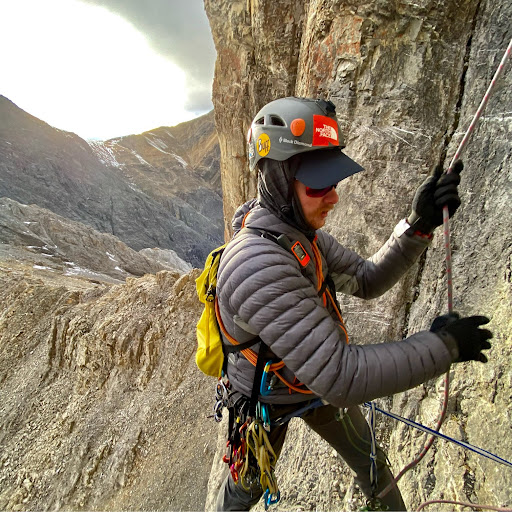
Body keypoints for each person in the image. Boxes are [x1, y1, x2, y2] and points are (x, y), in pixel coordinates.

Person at [214, 97, 492, 511]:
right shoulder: (255, 265)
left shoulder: (302, 238)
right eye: (318, 185)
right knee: (245, 490)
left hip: (309, 381)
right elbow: (340, 376)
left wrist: (418, 224)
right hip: (265, 399)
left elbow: (364, 279)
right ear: (277, 180)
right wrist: (444, 347)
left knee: (372, 465)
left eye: (333, 182)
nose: (333, 197)